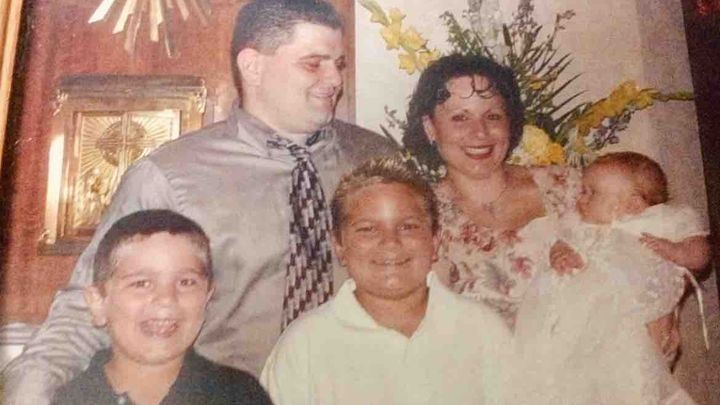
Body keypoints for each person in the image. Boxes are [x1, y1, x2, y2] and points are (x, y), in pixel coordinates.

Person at [2, 0, 395, 403]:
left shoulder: (379, 162)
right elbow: (89, 306)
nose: (334, 79)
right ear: (253, 66)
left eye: (339, 64)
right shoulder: (169, 177)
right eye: (313, 64)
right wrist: (30, 392)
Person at [402, 53, 709, 333]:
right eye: (460, 117)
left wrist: (660, 318)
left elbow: (652, 244)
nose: (480, 132)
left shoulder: (569, 185)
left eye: (492, 116)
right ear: (430, 128)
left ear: (509, 121)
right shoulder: (421, 220)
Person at [260, 156, 513, 405]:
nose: (390, 242)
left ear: (435, 241)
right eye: (368, 229)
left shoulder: (481, 330)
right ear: (339, 246)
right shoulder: (304, 345)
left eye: (408, 227)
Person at [513, 152, 705, 404]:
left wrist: (677, 251)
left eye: (591, 192)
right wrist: (560, 252)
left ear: (633, 204)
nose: (580, 198)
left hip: (626, 320)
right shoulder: (580, 225)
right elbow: (559, 242)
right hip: (574, 316)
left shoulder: (659, 221)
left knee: (631, 376)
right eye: (583, 190)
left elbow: (701, 253)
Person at [51, 210, 272, 405]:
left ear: (207, 297)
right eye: (141, 283)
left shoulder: (241, 396)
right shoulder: (71, 399)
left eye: (186, 282)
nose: (166, 299)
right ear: (99, 303)